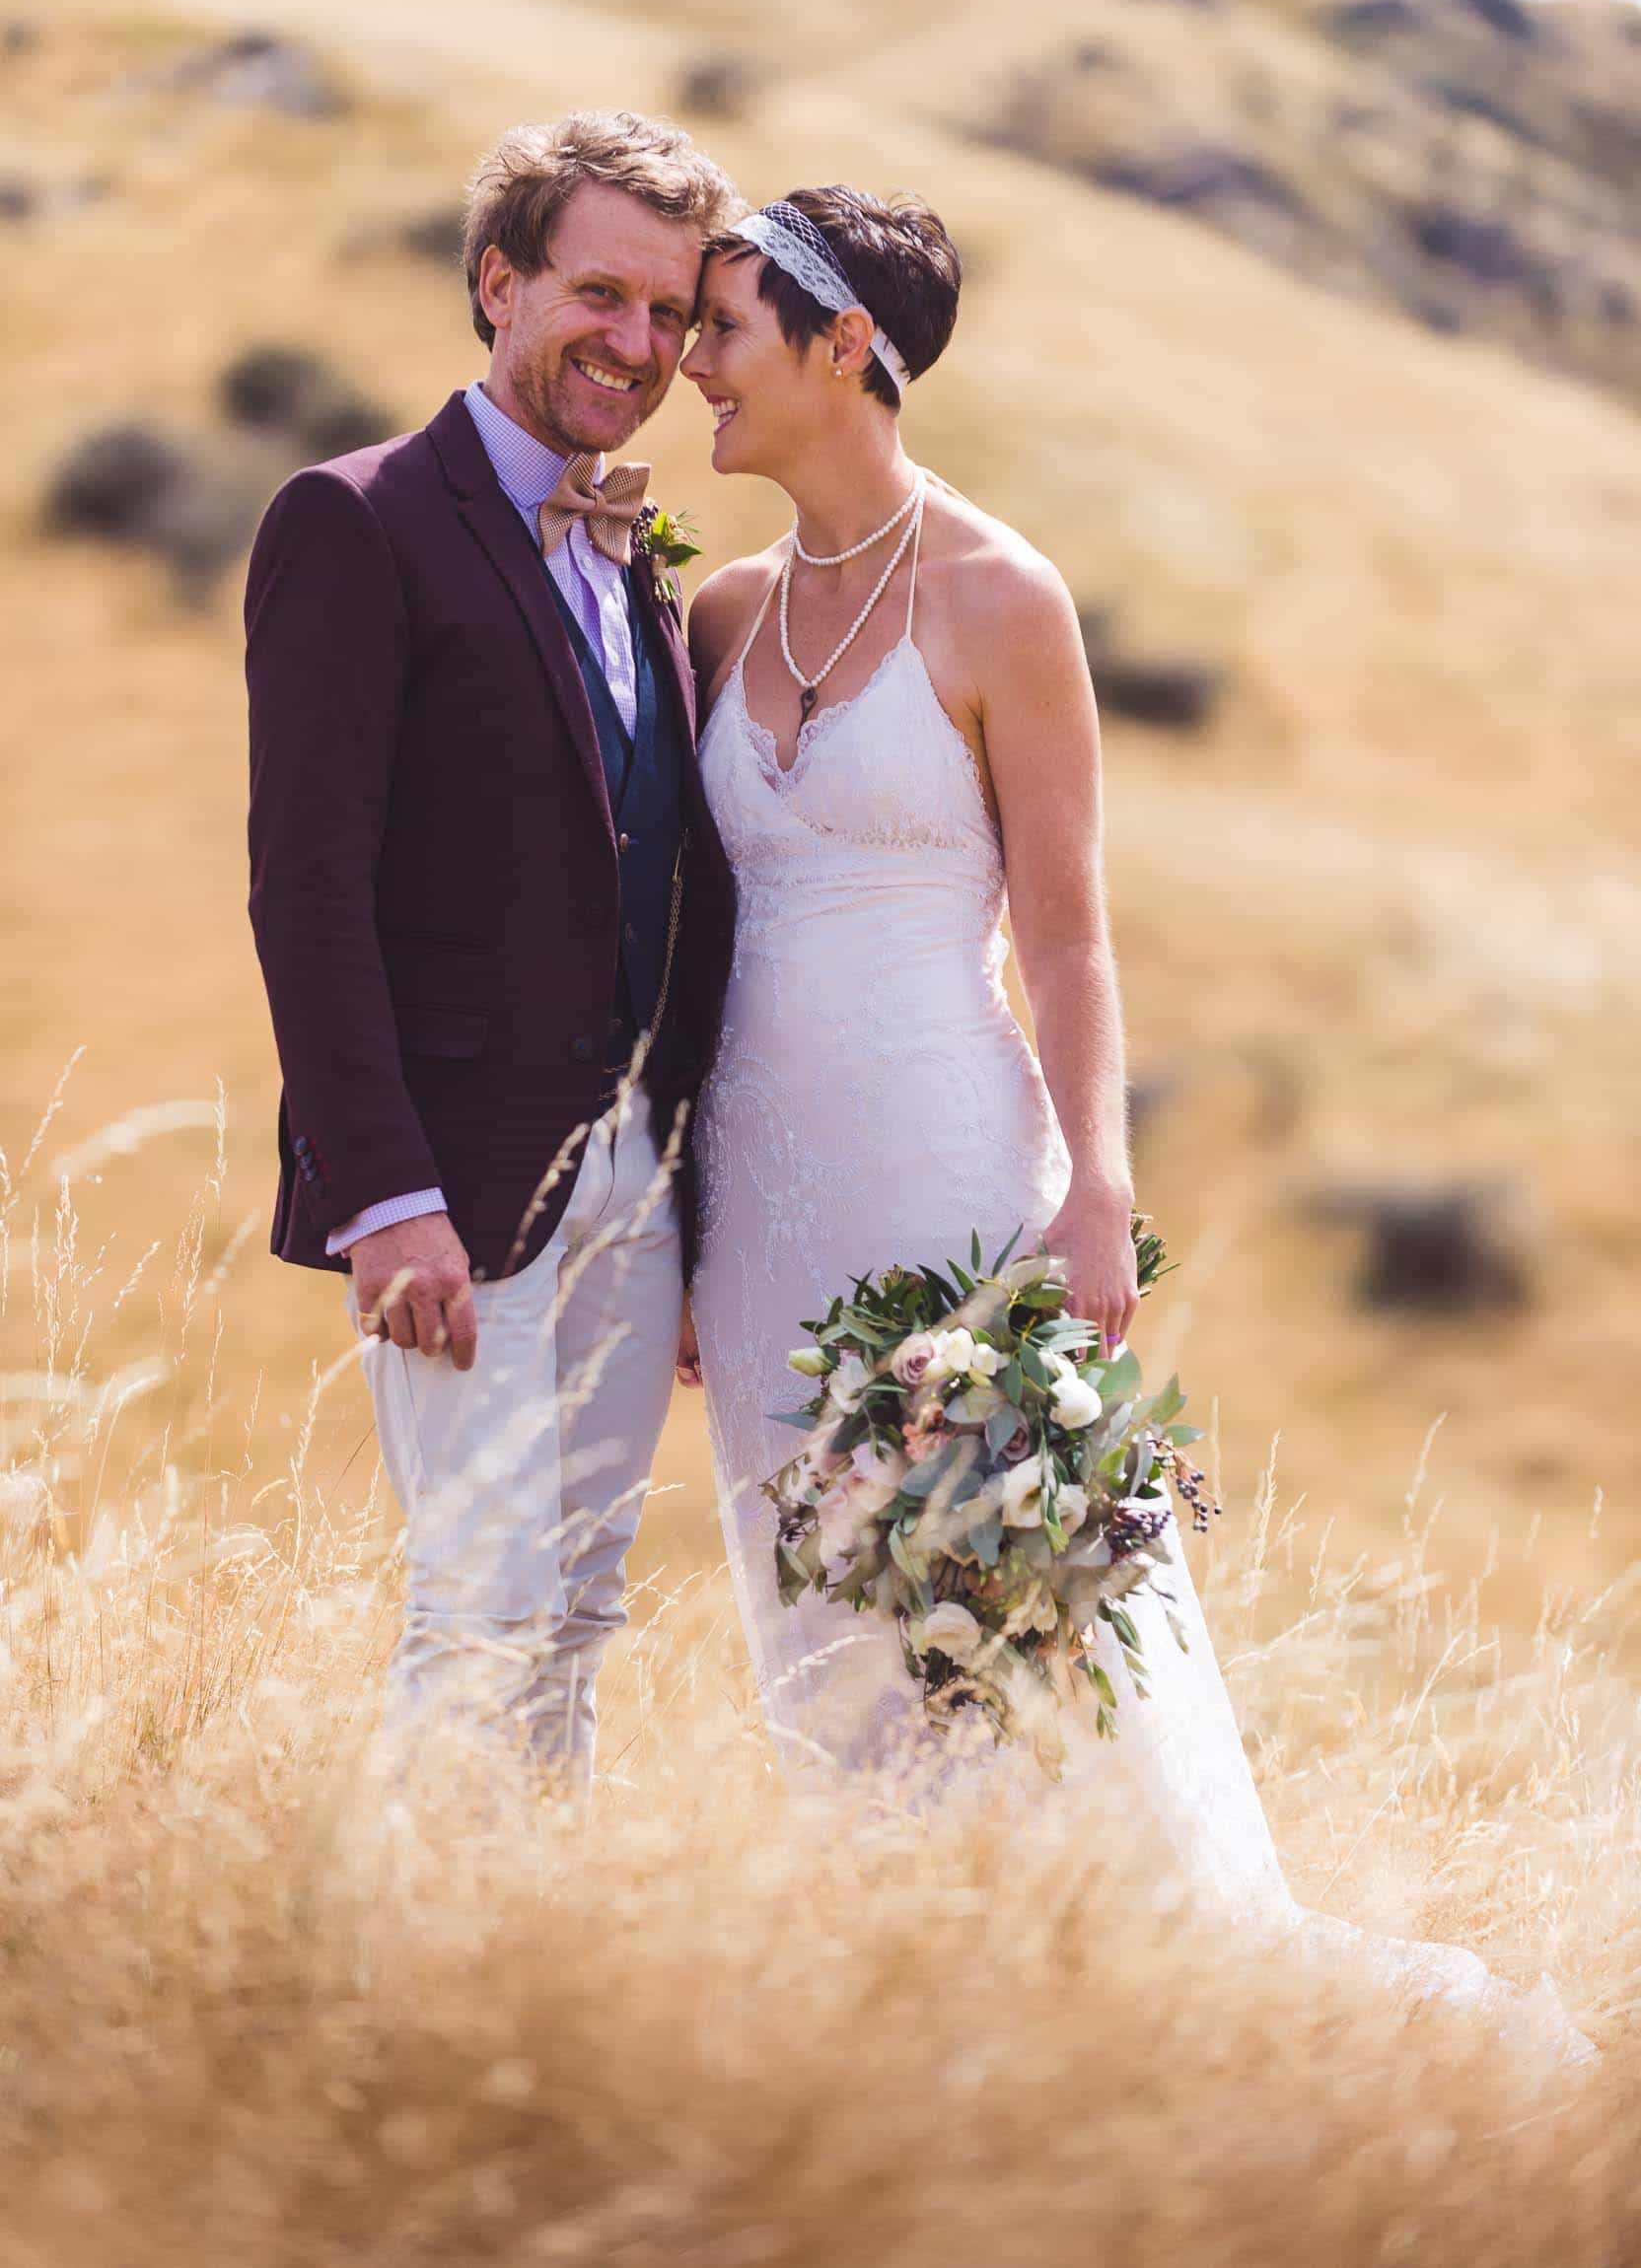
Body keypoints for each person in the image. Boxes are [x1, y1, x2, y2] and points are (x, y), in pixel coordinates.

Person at [675, 189, 1595, 2058]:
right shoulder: (721, 612)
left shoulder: (1002, 598)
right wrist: (683, 1212)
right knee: (826, 1633)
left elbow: (1071, 930)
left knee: (1019, 1643)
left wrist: (1099, 1194)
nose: (692, 361)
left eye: (724, 327)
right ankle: (928, 2043)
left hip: (947, 1186)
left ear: (843, 344)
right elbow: (685, 941)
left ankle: (1157, 2038)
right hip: (760, 1201)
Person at [244, 110, 739, 1783]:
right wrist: (384, 1197)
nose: (640, 345)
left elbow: (660, 886)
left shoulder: (639, 562)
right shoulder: (355, 518)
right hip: (452, 1187)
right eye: (602, 295)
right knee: (479, 1608)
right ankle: (398, 2010)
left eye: (671, 315)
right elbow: (304, 887)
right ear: (499, 282)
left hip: (631, 1196)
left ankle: (521, 1976)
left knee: (580, 1615)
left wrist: (685, 1193)